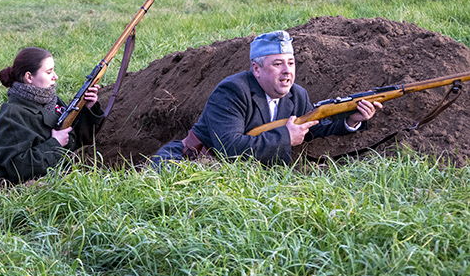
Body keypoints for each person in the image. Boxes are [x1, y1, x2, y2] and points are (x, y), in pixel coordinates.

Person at [152, 30, 382, 168]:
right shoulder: (232, 91)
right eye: (277, 64)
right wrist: (286, 137)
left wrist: (352, 120)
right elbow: (229, 148)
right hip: (188, 164)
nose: (287, 71)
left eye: (291, 63)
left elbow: (316, 127)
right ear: (257, 69)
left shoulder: (296, 94)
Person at [0, 47, 105, 185]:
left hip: (63, 177)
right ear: (29, 77)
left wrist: (88, 108)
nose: (55, 76)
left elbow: (75, 140)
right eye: (49, 72)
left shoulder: (51, 99)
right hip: (29, 192)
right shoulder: (12, 114)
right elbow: (18, 166)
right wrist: (55, 143)